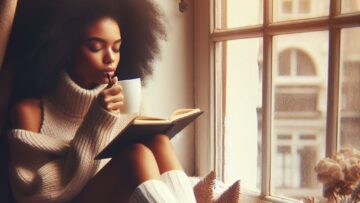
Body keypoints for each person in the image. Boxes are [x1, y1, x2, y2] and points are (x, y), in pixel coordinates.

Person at [5, 0, 197, 202]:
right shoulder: (31, 111)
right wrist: (97, 120)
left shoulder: (127, 98)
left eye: (117, 48)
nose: (110, 58)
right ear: (65, 48)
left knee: (159, 141)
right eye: (96, 47)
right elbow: (33, 194)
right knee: (136, 153)